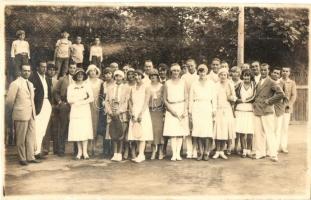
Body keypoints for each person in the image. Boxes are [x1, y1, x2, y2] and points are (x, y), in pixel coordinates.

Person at [6, 65, 40, 165]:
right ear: (21, 71)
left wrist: (33, 112)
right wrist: (9, 116)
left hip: (31, 114)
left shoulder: (30, 83)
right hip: (21, 114)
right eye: (24, 70)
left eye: (28, 71)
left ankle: (30, 157)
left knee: (30, 136)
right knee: (21, 137)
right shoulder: (15, 84)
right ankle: (22, 158)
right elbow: (9, 102)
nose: (27, 72)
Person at [253, 63, 284, 162]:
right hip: (258, 110)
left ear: (268, 71)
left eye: (265, 70)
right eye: (261, 70)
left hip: (267, 110)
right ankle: (260, 153)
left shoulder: (271, 81)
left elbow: (280, 94)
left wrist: (269, 101)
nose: (263, 72)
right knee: (259, 133)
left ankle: (273, 154)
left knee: (269, 132)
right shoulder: (258, 81)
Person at [189, 64, 217, 161]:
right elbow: (191, 98)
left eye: (204, 71)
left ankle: (207, 151)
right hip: (197, 108)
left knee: (207, 132)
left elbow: (214, 98)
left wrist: (214, 109)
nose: (202, 73)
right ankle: (200, 151)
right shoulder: (194, 83)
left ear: (207, 71)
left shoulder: (211, 84)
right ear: (198, 72)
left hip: (207, 107)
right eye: (200, 71)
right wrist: (190, 111)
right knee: (198, 131)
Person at [163, 63, 189, 161]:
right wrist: (171, 110)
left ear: (180, 72)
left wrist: (184, 110)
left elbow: (186, 97)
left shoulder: (183, 82)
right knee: (173, 133)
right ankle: (174, 154)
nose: (176, 72)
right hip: (171, 108)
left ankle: (178, 153)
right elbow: (164, 99)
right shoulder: (167, 83)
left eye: (178, 71)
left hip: (181, 107)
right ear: (171, 71)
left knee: (180, 132)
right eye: (174, 70)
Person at [67, 68, 94, 160]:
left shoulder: (87, 86)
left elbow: (91, 98)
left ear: (84, 76)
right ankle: (79, 152)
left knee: (84, 130)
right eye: (78, 75)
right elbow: (69, 99)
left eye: (81, 75)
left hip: (85, 110)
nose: (80, 76)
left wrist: (82, 102)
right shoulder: (71, 87)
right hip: (75, 110)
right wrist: (77, 101)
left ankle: (85, 152)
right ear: (75, 76)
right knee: (77, 130)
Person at [127, 69, 153, 163]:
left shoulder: (146, 87)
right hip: (134, 111)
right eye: (135, 75)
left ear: (142, 76)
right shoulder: (132, 88)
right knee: (136, 133)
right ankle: (139, 154)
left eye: (138, 75)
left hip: (143, 111)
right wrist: (131, 112)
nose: (137, 77)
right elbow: (130, 100)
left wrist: (141, 113)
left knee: (143, 134)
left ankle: (141, 154)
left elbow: (146, 102)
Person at [29, 61, 52, 159]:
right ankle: (34, 152)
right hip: (38, 105)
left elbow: (49, 93)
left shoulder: (47, 79)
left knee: (43, 129)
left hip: (46, 104)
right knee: (37, 128)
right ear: (38, 67)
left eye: (45, 67)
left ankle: (38, 151)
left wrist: (49, 104)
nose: (44, 69)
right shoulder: (33, 78)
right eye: (42, 67)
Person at [105, 70, 130, 162]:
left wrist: (119, 111)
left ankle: (120, 153)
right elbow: (106, 101)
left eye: (120, 76)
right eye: (116, 76)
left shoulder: (126, 88)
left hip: (121, 114)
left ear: (122, 77)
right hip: (112, 114)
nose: (118, 78)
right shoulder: (110, 88)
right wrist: (110, 111)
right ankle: (115, 153)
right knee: (113, 134)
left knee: (121, 135)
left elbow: (126, 102)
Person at [213, 67, 236, 160]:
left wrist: (230, 97)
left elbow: (234, 97)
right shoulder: (215, 85)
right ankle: (217, 151)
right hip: (218, 109)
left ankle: (222, 151)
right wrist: (214, 110)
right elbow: (214, 98)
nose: (223, 76)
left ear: (227, 76)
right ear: (219, 76)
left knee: (225, 131)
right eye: (221, 74)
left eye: (225, 75)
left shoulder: (230, 84)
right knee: (218, 130)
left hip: (227, 110)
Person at [54, 63, 77, 156]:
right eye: (71, 68)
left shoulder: (79, 80)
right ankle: (61, 150)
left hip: (76, 105)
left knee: (75, 127)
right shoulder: (62, 79)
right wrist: (59, 102)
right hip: (65, 104)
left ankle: (76, 150)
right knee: (63, 127)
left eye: (74, 68)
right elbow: (56, 92)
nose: (72, 69)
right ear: (68, 68)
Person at [234, 69, 256, 158]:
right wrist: (237, 100)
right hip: (240, 110)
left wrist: (244, 100)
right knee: (242, 131)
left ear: (251, 77)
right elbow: (233, 94)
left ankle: (249, 150)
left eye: (248, 75)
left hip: (250, 110)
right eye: (244, 75)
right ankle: (243, 149)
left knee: (250, 132)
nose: (246, 77)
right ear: (242, 76)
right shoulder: (239, 85)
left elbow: (254, 96)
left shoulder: (254, 85)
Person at [181, 59, 199, 159]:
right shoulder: (184, 77)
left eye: (191, 65)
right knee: (187, 129)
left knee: (195, 128)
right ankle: (189, 150)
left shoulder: (198, 76)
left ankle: (195, 150)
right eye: (188, 66)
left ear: (195, 65)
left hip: (196, 104)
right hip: (186, 103)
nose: (190, 67)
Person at [42, 62, 59, 155]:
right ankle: (46, 148)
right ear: (47, 70)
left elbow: (59, 94)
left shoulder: (58, 81)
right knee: (46, 127)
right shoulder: (44, 80)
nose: (51, 71)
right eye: (50, 69)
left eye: (53, 70)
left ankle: (56, 148)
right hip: (46, 106)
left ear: (56, 71)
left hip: (56, 107)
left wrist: (56, 104)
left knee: (56, 127)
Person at [86, 64, 103, 156]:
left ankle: (94, 147)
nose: (92, 72)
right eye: (91, 70)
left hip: (97, 106)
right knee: (88, 125)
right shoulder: (85, 81)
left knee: (96, 125)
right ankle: (88, 147)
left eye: (94, 70)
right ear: (88, 72)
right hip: (88, 105)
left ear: (96, 71)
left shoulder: (100, 82)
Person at [279, 66, 297, 153]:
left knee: (285, 128)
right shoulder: (278, 81)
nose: (285, 72)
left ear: (289, 73)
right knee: (277, 127)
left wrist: (289, 105)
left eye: (287, 71)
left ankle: (283, 146)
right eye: (283, 71)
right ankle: (275, 146)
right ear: (281, 72)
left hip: (286, 109)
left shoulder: (292, 83)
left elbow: (293, 95)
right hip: (278, 108)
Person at [148, 69, 165, 160]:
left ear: (157, 76)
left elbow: (164, 98)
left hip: (159, 111)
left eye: (154, 75)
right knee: (152, 131)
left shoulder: (162, 86)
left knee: (159, 131)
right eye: (151, 75)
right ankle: (153, 150)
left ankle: (161, 151)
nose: (153, 77)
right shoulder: (147, 86)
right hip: (151, 110)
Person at [123, 68, 137, 160]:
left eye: (133, 74)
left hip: (135, 110)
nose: (131, 76)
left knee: (135, 130)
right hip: (125, 110)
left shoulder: (137, 85)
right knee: (126, 131)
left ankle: (133, 149)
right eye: (129, 74)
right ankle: (126, 149)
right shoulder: (124, 86)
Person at [102, 67, 115, 158]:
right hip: (104, 108)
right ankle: (106, 150)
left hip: (113, 107)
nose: (107, 75)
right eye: (106, 73)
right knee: (106, 129)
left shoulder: (115, 84)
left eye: (109, 73)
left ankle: (113, 150)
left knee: (113, 128)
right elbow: (101, 96)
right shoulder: (103, 84)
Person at [229, 66, 242, 154]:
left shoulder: (242, 82)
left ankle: (236, 146)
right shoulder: (228, 82)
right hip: (228, 105)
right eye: (233, 72)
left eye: (237, 72)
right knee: (229, 127)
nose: (235, 74)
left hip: (239, 106)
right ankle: (229, 146)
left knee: (238, 127)